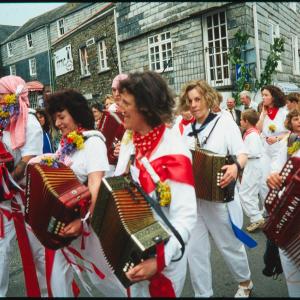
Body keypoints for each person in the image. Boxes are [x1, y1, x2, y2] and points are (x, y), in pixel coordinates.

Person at [34, 89, 126, 297]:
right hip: (63, 225)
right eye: (54, 118)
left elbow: (96, 186)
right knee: (57, 276)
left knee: (105, 279)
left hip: (87, 226)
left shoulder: (93, 142)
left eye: (61, 117)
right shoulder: (66, 144)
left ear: (76, 113)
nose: (57, 124)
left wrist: (82, 222)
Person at [114, 71, 197, 297]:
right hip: (135, 252)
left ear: (146, 108)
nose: (119, 108)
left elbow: (186, 217)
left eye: (126, 103)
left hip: (164, 262)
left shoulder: (174, 153)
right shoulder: (132, 141)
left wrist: (160, 260)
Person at [180, 80, 253, 297]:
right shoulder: (186, 130)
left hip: (219, 195)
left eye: (197, 99)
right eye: (190, 100)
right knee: (195, 250)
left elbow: (242, 152)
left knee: (229, 244)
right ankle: (203, 294)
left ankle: (245, 283)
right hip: (194, 200)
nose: (193, 104)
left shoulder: (224, 122)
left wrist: (235, 166)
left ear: (208, 99)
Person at [0, 75, 47, 296]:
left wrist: (5, 182)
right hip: (5, 200)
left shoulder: (30, 121)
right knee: (1, 250)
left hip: (28, 197)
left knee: (39, 254)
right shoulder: (3, 120)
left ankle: (49, 292)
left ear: (11, 96)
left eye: (0, 96)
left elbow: (28, 161)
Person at [267, 108, 300, 297]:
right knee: (291, 268)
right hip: (289, 211)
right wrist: (272, 177)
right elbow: (275, 169)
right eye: (297, 118)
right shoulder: (288, 141)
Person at [256, 85, 289, 201]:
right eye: (262, 95)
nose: (263, 98)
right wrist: (263, 115)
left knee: (275, 178)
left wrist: (276, 138)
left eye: (266, 95)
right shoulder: (264, 113)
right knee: (263, 181)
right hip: (265, 149)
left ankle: (279, 206)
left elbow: (289, 133)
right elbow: (258, 129)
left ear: (273, 97)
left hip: (279, 149)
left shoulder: (283, 112)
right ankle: (267, 208)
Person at [238, 109, 265, 232]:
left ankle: (256, 218)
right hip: (252, 164)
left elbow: (252, 152)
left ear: (246, 121)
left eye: (241, 120)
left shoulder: (252, 135)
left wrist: (240, 156)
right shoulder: (251, 133)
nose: (240, 121)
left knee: (245, 193)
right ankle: (256, 216)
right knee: (251, 193)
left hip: (253, 164)